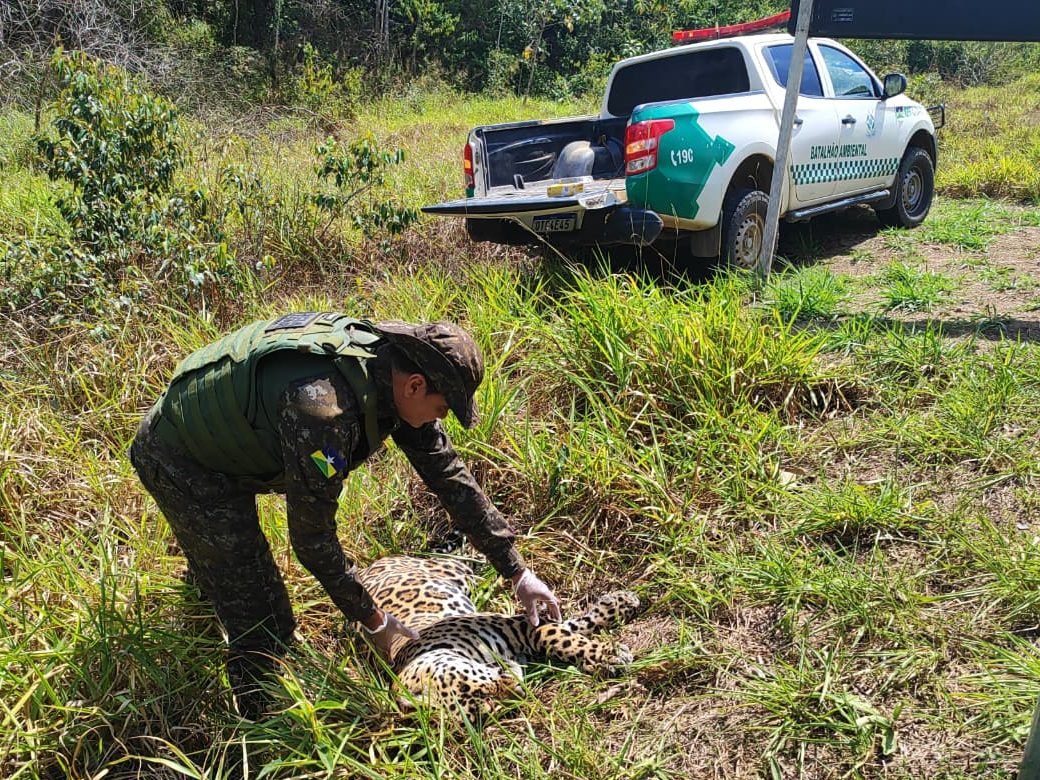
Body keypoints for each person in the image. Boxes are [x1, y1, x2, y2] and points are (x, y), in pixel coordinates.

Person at [128, 312, 561, 718]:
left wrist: (516, 572)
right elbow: (312, 540)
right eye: (442, 409)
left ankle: (212, 578)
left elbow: (449, 478)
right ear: (415, 386)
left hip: (231, 441)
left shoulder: (390, 371)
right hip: (183, 463)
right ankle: (257, 722)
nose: (439, 419)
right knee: (263, 614)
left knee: (226, 567)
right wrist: (374, 620)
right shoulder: (322, 414)